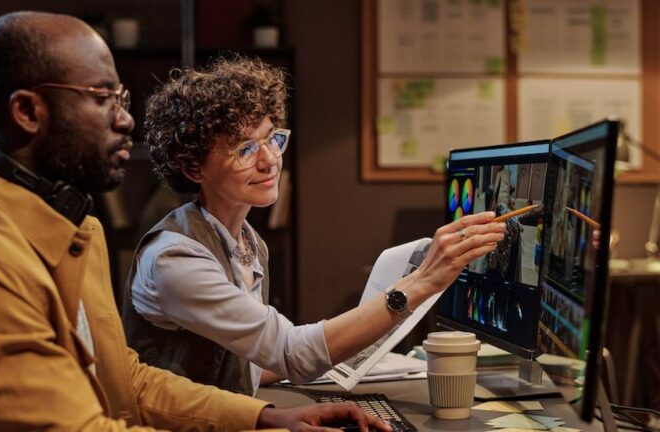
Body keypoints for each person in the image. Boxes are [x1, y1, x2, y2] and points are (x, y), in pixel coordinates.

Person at [0, 12, 390, 431]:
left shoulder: (69, 226)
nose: (126, 120)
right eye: (102, 97)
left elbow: (126, 379)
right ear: (27, 111)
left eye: (122, 100)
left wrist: (263, 418)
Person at [122, 56, 506, 395]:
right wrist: (423, 280)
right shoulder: (175, 258)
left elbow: (251, 360)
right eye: (245, 149)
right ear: (193, 167)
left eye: (272, 139)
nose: (270, 160)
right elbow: (291, 352)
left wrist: (368, 364)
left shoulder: (249, 243)